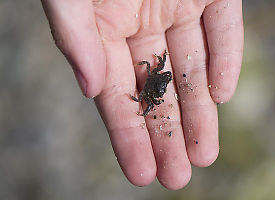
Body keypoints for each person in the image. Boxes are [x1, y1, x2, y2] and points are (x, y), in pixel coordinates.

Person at [41, 0, 243, 190]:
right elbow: (151, 68)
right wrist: (144, 96)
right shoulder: (153, 77)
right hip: (148, 86)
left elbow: (156, 71)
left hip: (149, 87)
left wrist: (151, 91)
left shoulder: (156, 80)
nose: (164, 88)